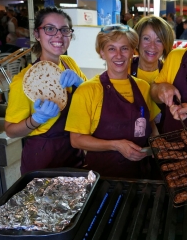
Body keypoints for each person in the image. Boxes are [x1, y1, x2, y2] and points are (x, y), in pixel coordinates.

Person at [65, 24, 160, 179]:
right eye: (111, 49)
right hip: (104, 178)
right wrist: (116, 145)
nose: (118, 55)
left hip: (142, 175)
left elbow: (150, 123)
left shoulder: (143, 87)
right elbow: (76, 140)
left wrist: (156, 144)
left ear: (132, 52)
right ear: (102, 53)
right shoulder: (87, 91)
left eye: (124, 48)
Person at [4, 7, 87, 174]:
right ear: (37, 34)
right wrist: (36, 119)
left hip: (73, 152)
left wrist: (80, 84)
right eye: (50, 29)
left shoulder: (69, 63)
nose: (58, 35)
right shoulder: (23, 81)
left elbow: (89, 94)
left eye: (64, 30)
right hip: (42, 157)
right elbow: (10, 131)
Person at [131, 16, 174, 84]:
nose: (152, 46)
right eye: (146, 38)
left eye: (159, 40)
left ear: (165, 44)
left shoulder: (170, 72)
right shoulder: (124, 67)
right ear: (137, 41)